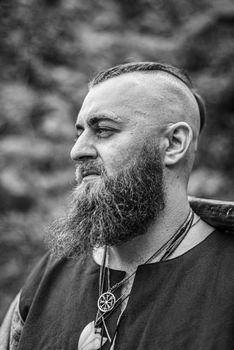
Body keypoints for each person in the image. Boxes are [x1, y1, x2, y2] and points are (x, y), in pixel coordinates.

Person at [0, 62, 234, 350]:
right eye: (79, 133)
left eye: (103, 130)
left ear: (174, 143)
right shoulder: (51, 272)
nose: (77, 151)